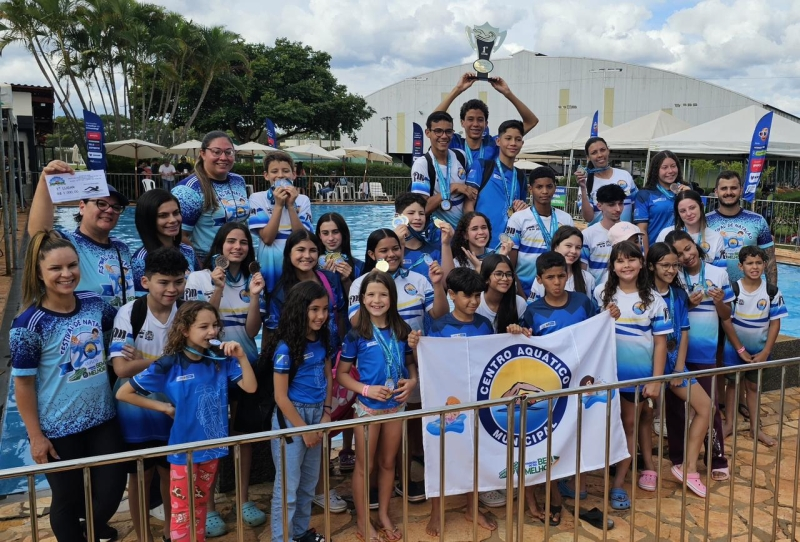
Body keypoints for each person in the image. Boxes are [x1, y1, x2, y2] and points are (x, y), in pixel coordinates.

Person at [12, 231, 126, 542]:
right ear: (38, 272)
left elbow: (121, 326)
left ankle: (93, 525)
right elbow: (22, 385)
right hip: (59, 427)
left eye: (72, 265)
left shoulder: (92, 303)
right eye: (56, 268)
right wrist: (36, 436)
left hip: (102, 417)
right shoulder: (29, 324)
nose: (67, 274)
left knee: (112, 488)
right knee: (67, 499)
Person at [116, 302, 257, 542]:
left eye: (214, 325)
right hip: (183, 452)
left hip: (212, 449)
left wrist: (242, 357)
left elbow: (250, 388)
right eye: (203, 326)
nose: (212, 331)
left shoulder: (220, 360)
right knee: (182, 514)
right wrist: (163, 407)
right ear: (184, 330)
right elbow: (123, 393)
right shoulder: (169, 364)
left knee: (200, 508)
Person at [347, 229, 448, 503]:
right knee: (373, 447)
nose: (391, 254)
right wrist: (383, 301)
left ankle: (403, 481)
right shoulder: (361, 284)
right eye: (384, 250)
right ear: (372, 255)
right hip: (377, 370)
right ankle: (372, 490)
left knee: (407, 425)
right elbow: (358, 324)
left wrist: (438, 285)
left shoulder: (419, 279)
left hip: (410, 362)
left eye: (396, 248)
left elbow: (439, 314)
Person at [184, 223, 267, 532]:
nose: (237, 246)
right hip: (208, 368)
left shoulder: (252, 279)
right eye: (231, 241)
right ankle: (209, 506)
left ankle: (243, 499)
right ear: (219, 245)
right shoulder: (199, 278)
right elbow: (197, 324)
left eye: (243, 242)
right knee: (211, 435)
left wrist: (256, 296)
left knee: (243, 436)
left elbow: (251, 331)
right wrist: (217, 288)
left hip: (243, 364)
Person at [109, 247, 189, 542]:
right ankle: (143, 536)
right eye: (163, 282)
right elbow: (120, 369)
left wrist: (141, 361)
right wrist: (168, 358)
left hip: (172, 404)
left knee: (171, 474)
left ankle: (171, 532)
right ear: (146, 281)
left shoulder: (186, 312)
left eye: (178, 282)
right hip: (136, 406)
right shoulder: (130, 312)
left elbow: (195, 356)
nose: (171, 289)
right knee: (141, 476)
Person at [337, 272, 420, 542]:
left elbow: (410, 366)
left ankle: (383, 514)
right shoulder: (356, 334)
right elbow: (342, 374)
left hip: (395, 407)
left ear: (392, 298)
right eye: (371, 295)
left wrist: (412, 381)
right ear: (362, 299)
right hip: (368, 409)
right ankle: (363, 521)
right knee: (365, 466)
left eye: (383, 294)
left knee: (387, 464)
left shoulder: (401, 330)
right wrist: (366, 389)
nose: (377, 300)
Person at [593, 240, 671, 510]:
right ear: (612, 266)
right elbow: (590, 331)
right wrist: (605, 317)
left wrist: (655, 380)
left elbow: (661, 343)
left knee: (628, 426)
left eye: (631, 259)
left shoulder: (653, 299)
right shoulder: (601, 293)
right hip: (606, 377)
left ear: (641, 264)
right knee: (601, 426)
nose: (626, 265)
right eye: (620, 260)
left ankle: (618, 483)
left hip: (635, 378)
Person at [520, 252, 597, 525]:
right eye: (550, 277)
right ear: (539, 280)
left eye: (561, 276)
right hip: (549, 389)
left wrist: (610, 316)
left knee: (579, 435)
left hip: (581, 386)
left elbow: (597, 332)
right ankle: (553, 497)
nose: (556, 282)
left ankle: (576, 478)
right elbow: (525, 349)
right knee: (548, 442)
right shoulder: (533, 312)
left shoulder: (583, 302)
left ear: (568, 276)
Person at [424, 268, 499, 535]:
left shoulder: (484, 325)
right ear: (452, 294)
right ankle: (436, 511)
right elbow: (429, 361)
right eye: (468, 296)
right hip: (446, 404)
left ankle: (472, 507)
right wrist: (414, 345)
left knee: (474, 454)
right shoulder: (439, 326)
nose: (474, 302)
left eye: (478, 295)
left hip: (477, 401)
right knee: (441, 454)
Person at [261, 282, 334, 542]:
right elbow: (280, 397)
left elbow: (327, 375)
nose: (320, 315)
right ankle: (282, 538)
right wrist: (304, 430)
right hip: (292, 421)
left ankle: (301, 532)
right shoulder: (285, 348)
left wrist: (326, 412)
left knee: (308, 484)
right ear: (299, 310)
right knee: (287, 489)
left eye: (324, 309)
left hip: (317, 415)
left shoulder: (323, 338)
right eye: (314, 309)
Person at [646, 243, 712, 498]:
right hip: (647, 366)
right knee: (642, 419)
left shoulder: (678, 295)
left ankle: (689, 466)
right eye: (665, 265)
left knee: (706, 407)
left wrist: (679, 368)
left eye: (675, 265)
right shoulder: (642, 294)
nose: (672, 270)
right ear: (652, 266)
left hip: (674, 364)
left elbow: (684, 331)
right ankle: (646, 470)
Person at [665, 230, 732, 481]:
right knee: (675, 408)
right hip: (675, 354)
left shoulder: (718, 273)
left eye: (688, 249)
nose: (686, 256)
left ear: (696, 245)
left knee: (709, 407)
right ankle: (679, 458)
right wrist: (689, 304)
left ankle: (716, 457)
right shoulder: (673, 276)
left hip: (704, 352)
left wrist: (719, 302)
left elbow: (726, 316)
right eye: (679, 253)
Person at [28, 160, 135, 309]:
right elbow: (39, 232)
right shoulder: (67, 243)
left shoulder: (121, 247)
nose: (110, 210)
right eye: (101, 204)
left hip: (122, 331)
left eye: (116, 207)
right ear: (82, 207)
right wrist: (45, 181)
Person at [721, 246, 787, 445]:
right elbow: (727, 322)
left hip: (759, 349)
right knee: (732, 384)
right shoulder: (733, 290)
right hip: (734, 349)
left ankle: (754, 429)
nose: (755, 267)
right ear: (741, 266)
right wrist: (740, 348)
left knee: (753, 386)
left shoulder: (771, 292)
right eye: (750, 263)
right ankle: (730, 423)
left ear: (765, 265)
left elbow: (775, 322)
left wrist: (766, 351)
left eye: (759, 263)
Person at [434, 72, 538, 173]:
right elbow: (433, 121)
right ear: (462, 122)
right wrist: (458, 89)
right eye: (470, 119)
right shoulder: (454, 142)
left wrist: (507, 93)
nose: (475, 124)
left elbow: (531, 122)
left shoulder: (495, 144)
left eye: (480, 120)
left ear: (486, 124)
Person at [172, 130, 250, 262]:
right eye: (216, 152)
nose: (223, 158)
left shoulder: (238, 181)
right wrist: (201, 268)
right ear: (203, 153)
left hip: (239, 260)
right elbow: (180, 236)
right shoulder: (188, 190)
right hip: (207, 261)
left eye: (228, 152)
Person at [267, 230, 347, 353]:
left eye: (313, 250)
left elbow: (340, 315)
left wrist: (343, 349)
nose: (307, 255)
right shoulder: (281, 292)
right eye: (300, 250)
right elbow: (275, 331)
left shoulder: (330, 279)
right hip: (300, 361)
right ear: (289, 253)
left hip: (333, 355)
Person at [249, 151, 314, 291]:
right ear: (266, 176)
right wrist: (279, 205)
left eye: (286, 171)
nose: (280, 175)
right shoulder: (257, 198)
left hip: (297, 266)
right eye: (274, 171)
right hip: (269, 265)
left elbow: (302, 239)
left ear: (294, 174)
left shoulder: (303, 200)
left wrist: (290, 205)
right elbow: (267, 238)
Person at [506, 166, 574, 298]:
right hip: (524, 289)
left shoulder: (566, 219)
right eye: (539, 187)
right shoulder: (518, 219)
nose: (545, 191)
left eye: (549, 186)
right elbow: (511, 264)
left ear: (555, 188)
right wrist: (521, 296)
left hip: (556, 288)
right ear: (531, 189)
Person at [706, 170, 777, 284]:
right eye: (724, 188)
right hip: (715, 291)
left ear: (741, 190)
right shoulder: (705, 221)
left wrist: (772, 290)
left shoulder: (757, 221)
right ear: (716, 192)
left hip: (749, 292)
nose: (729, 192)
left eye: (733, 188)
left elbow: (770, 260)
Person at [465, 120, 528, 248]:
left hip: (509, 247)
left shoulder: (521, 176)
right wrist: (473, 239)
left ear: (522, 143)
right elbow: (468, 204)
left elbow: (521, 212)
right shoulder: (483, 166)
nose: (513, 143)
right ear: (498, 141)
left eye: (517, 139)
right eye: (508, 138)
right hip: (481, 246)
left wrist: (523, 209)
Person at [410, 111, 471, 227]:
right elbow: (421, 210)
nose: (444, 136)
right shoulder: (422, 164)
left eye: (448, 131)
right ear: (428, 133)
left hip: (462, 232)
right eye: (438, 131)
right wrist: (451, 188)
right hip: (439, 233)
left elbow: (470, 192)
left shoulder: (460, 156)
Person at [133, 188, 197, 295]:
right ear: (147, 219)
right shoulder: (141, 260)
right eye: (163, 215)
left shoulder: (188, 251)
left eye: (176, 213)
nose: (173, 220)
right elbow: (141, 304)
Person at [633, 150, 691, 251]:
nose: (670, 171)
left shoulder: (686, 189)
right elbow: (642, 230)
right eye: (664, 167)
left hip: (683, 251)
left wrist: (689, 195)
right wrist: (646, 257)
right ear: (656, 170)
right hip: (657, 251)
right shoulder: (645, 194)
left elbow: (697, 219)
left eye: (673, 166)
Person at [655, 190, 725, 267]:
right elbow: (657, 266)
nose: (688, 213)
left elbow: (721, 271)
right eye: (683, 211)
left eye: (692, 208)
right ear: (678, 213)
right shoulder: (665, 234)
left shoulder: (716, 237)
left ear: (701, 207)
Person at [576, 137, 638, 224]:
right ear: (588, 157)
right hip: (600, 237)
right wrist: (583, 188)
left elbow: (637, 206)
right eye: (594, 153)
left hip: (625, 235)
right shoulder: (585, 182)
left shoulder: (625, 175)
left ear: (608, 150)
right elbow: (588, 218)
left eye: (602, 150)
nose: (600, 155)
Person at [528, 226, 595, 303]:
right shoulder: (543, 278)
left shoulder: (588, 279)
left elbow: (592, 310)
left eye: (578, 247)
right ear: (556, 247)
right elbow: (532, 307)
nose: (573, 251)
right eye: (568, 246)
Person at [581, 184, 626, 284]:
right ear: (599, 206)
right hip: (595, 296)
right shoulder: (587, 235)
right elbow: (582, 272)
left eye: (621, 203)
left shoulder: (631, 232)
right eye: (612, 205)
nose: (618, 209)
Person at [443, 211, 512, 274]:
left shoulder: (501, 254)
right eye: (474, 229)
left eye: (484, 227)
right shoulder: (458, 263)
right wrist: (478, 268)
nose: (481, 232)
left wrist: (501, 258)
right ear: (465, 235)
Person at [393, 193, 441, 284]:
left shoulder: (434, 251)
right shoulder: (385, 249)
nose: (418, 218)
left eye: (421, 213)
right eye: (411, 213)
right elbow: (392, 278)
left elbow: (447, 285)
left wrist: (446, 245)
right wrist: (400, 244)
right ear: (398, 217)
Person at [316, 212, 364, 303]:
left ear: (343, 233)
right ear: (319, 236)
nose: (331, 238)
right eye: (325, 233)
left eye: (335, 232)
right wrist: (325, 277)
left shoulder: (358, 266)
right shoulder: (312, 265)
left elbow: (362, 303)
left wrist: (346, 281)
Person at [476, 254, 527, 333]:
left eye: (509, 274)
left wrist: (520, 331)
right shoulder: (476, 302)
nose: (505, 278)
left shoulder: (519, 302)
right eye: (498, 274)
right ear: (486, 278)